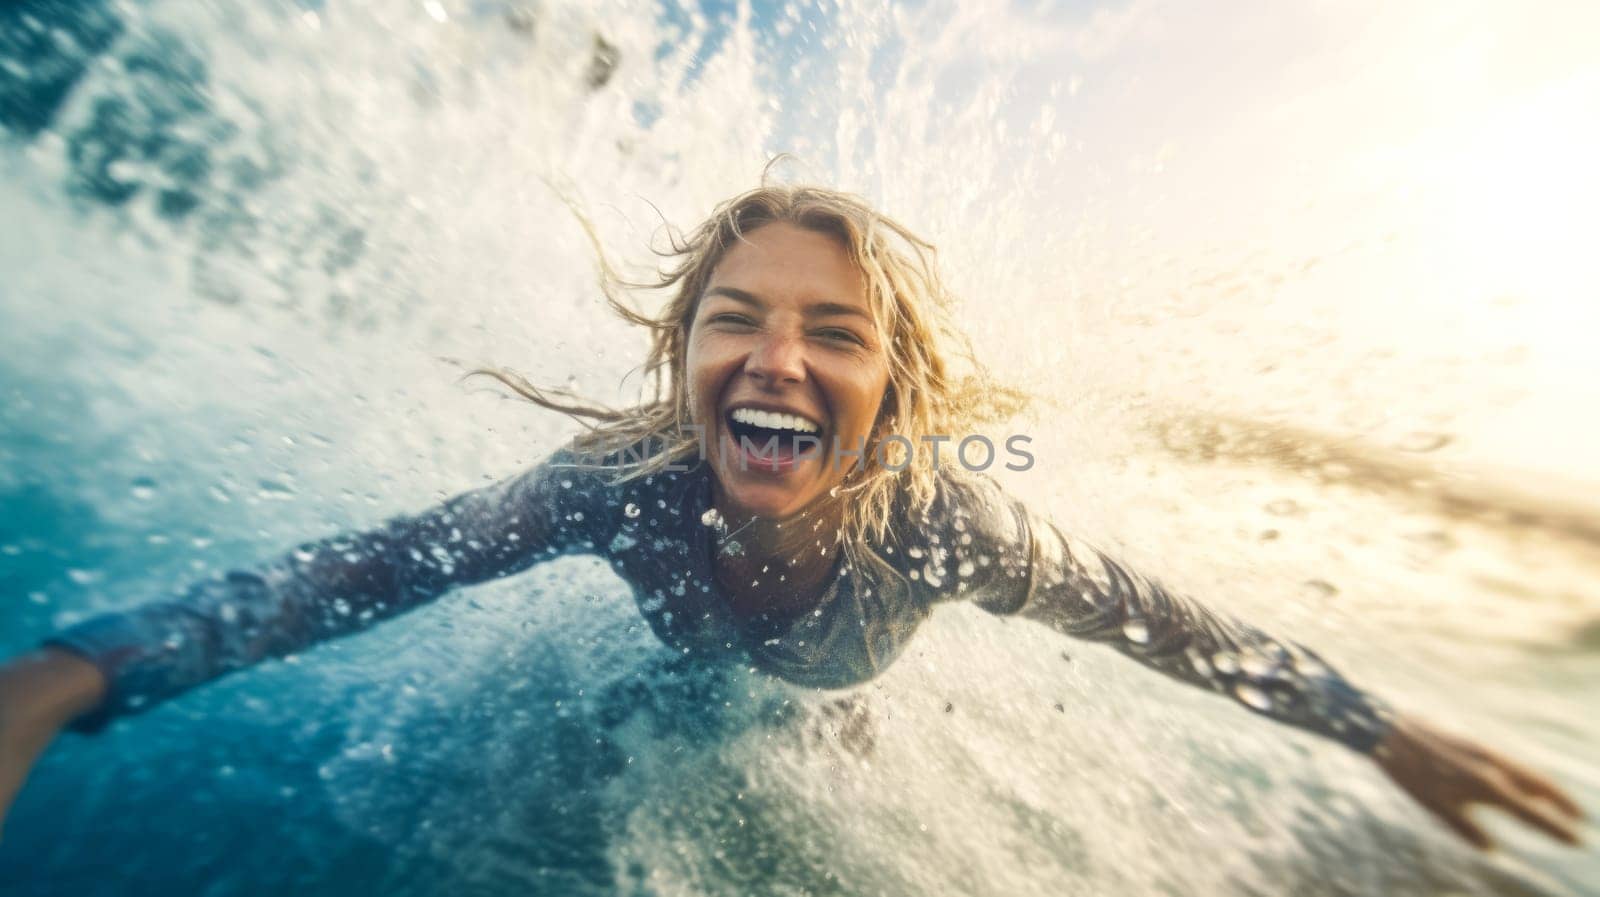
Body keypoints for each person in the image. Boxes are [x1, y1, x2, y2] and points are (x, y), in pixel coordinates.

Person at [0, 183, 1584, 854]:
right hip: (689, 661)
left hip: (838, 681)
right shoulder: (619, 487)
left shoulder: (957, 528)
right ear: (686, 354)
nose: (776, 357)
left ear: (889, 383)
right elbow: (359, 570)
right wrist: (71, 674)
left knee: (821, 725)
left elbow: (1172, 623)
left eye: (835, 331)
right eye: (735, 320)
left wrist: (1384, 734)